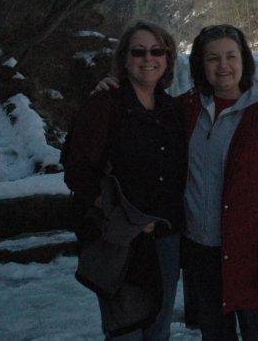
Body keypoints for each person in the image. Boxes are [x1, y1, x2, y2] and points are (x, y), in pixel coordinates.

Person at [63, 21, 187, 340]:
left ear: (168, 57)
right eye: (139, 51)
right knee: (125, 330)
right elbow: (76, 170)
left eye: (157, 51)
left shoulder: (173, 110)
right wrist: (119, 215)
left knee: (159, 327)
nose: (149, 58)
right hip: (119, 241)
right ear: (124, 58)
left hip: (165, 236)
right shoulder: (105, 104)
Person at [179, 24, 258, 341]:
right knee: (214, 334)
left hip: (251, 250)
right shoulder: (186, 108)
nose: (223, 66)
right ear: (200, 65)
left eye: (231, 56)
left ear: (244, 60)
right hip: (199, 250)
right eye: (213, 58)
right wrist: (114, 88)